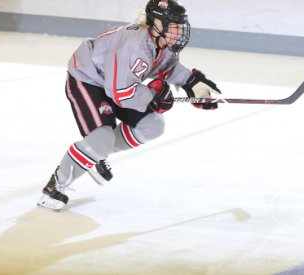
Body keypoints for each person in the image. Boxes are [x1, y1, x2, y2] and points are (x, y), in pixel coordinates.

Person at [38, 0, 221, 211]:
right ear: (158, 24)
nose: (180, 32)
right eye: (175, 26)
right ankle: (54, 187)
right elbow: (120, 93)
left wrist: (191, 82)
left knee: (153, 125)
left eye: (181, 26)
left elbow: (168, 67)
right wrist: (154, 95)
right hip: (88, 78)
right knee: (102, 138)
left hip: (116, 83)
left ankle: (95, 154)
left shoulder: (162, 42)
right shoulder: (136, 47)